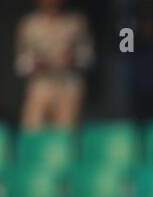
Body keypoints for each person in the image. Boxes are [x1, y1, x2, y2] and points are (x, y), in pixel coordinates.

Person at [14, 0, 94, 129]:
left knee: (66, 133)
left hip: (69, 86)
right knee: (32, 131)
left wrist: (72, 59)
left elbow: (87, 57)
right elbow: (21, 63)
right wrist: (36, 63)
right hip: (40, 86)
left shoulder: (75, 22)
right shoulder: (30, 24)